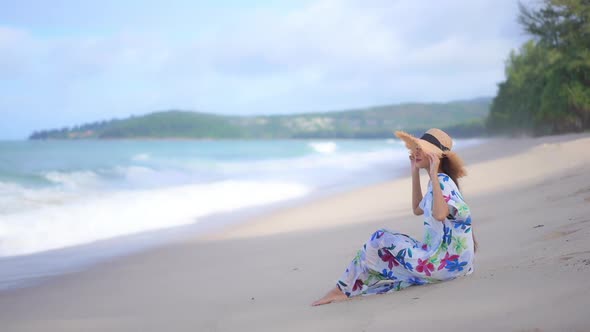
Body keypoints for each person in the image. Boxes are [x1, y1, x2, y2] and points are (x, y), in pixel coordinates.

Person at [311, 128, 478, 306]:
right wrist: (414, 171)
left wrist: (434, 175)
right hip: (451, 264)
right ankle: (347, 287)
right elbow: (416, 208)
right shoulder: (438, 182)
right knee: (391, 244)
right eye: (415, 148)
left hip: (445, 266)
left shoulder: (442, 181)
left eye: (421, 148)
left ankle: (341, 290)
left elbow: (439, 214)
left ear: (436, 155)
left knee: (380, 238)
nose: (416, 152)